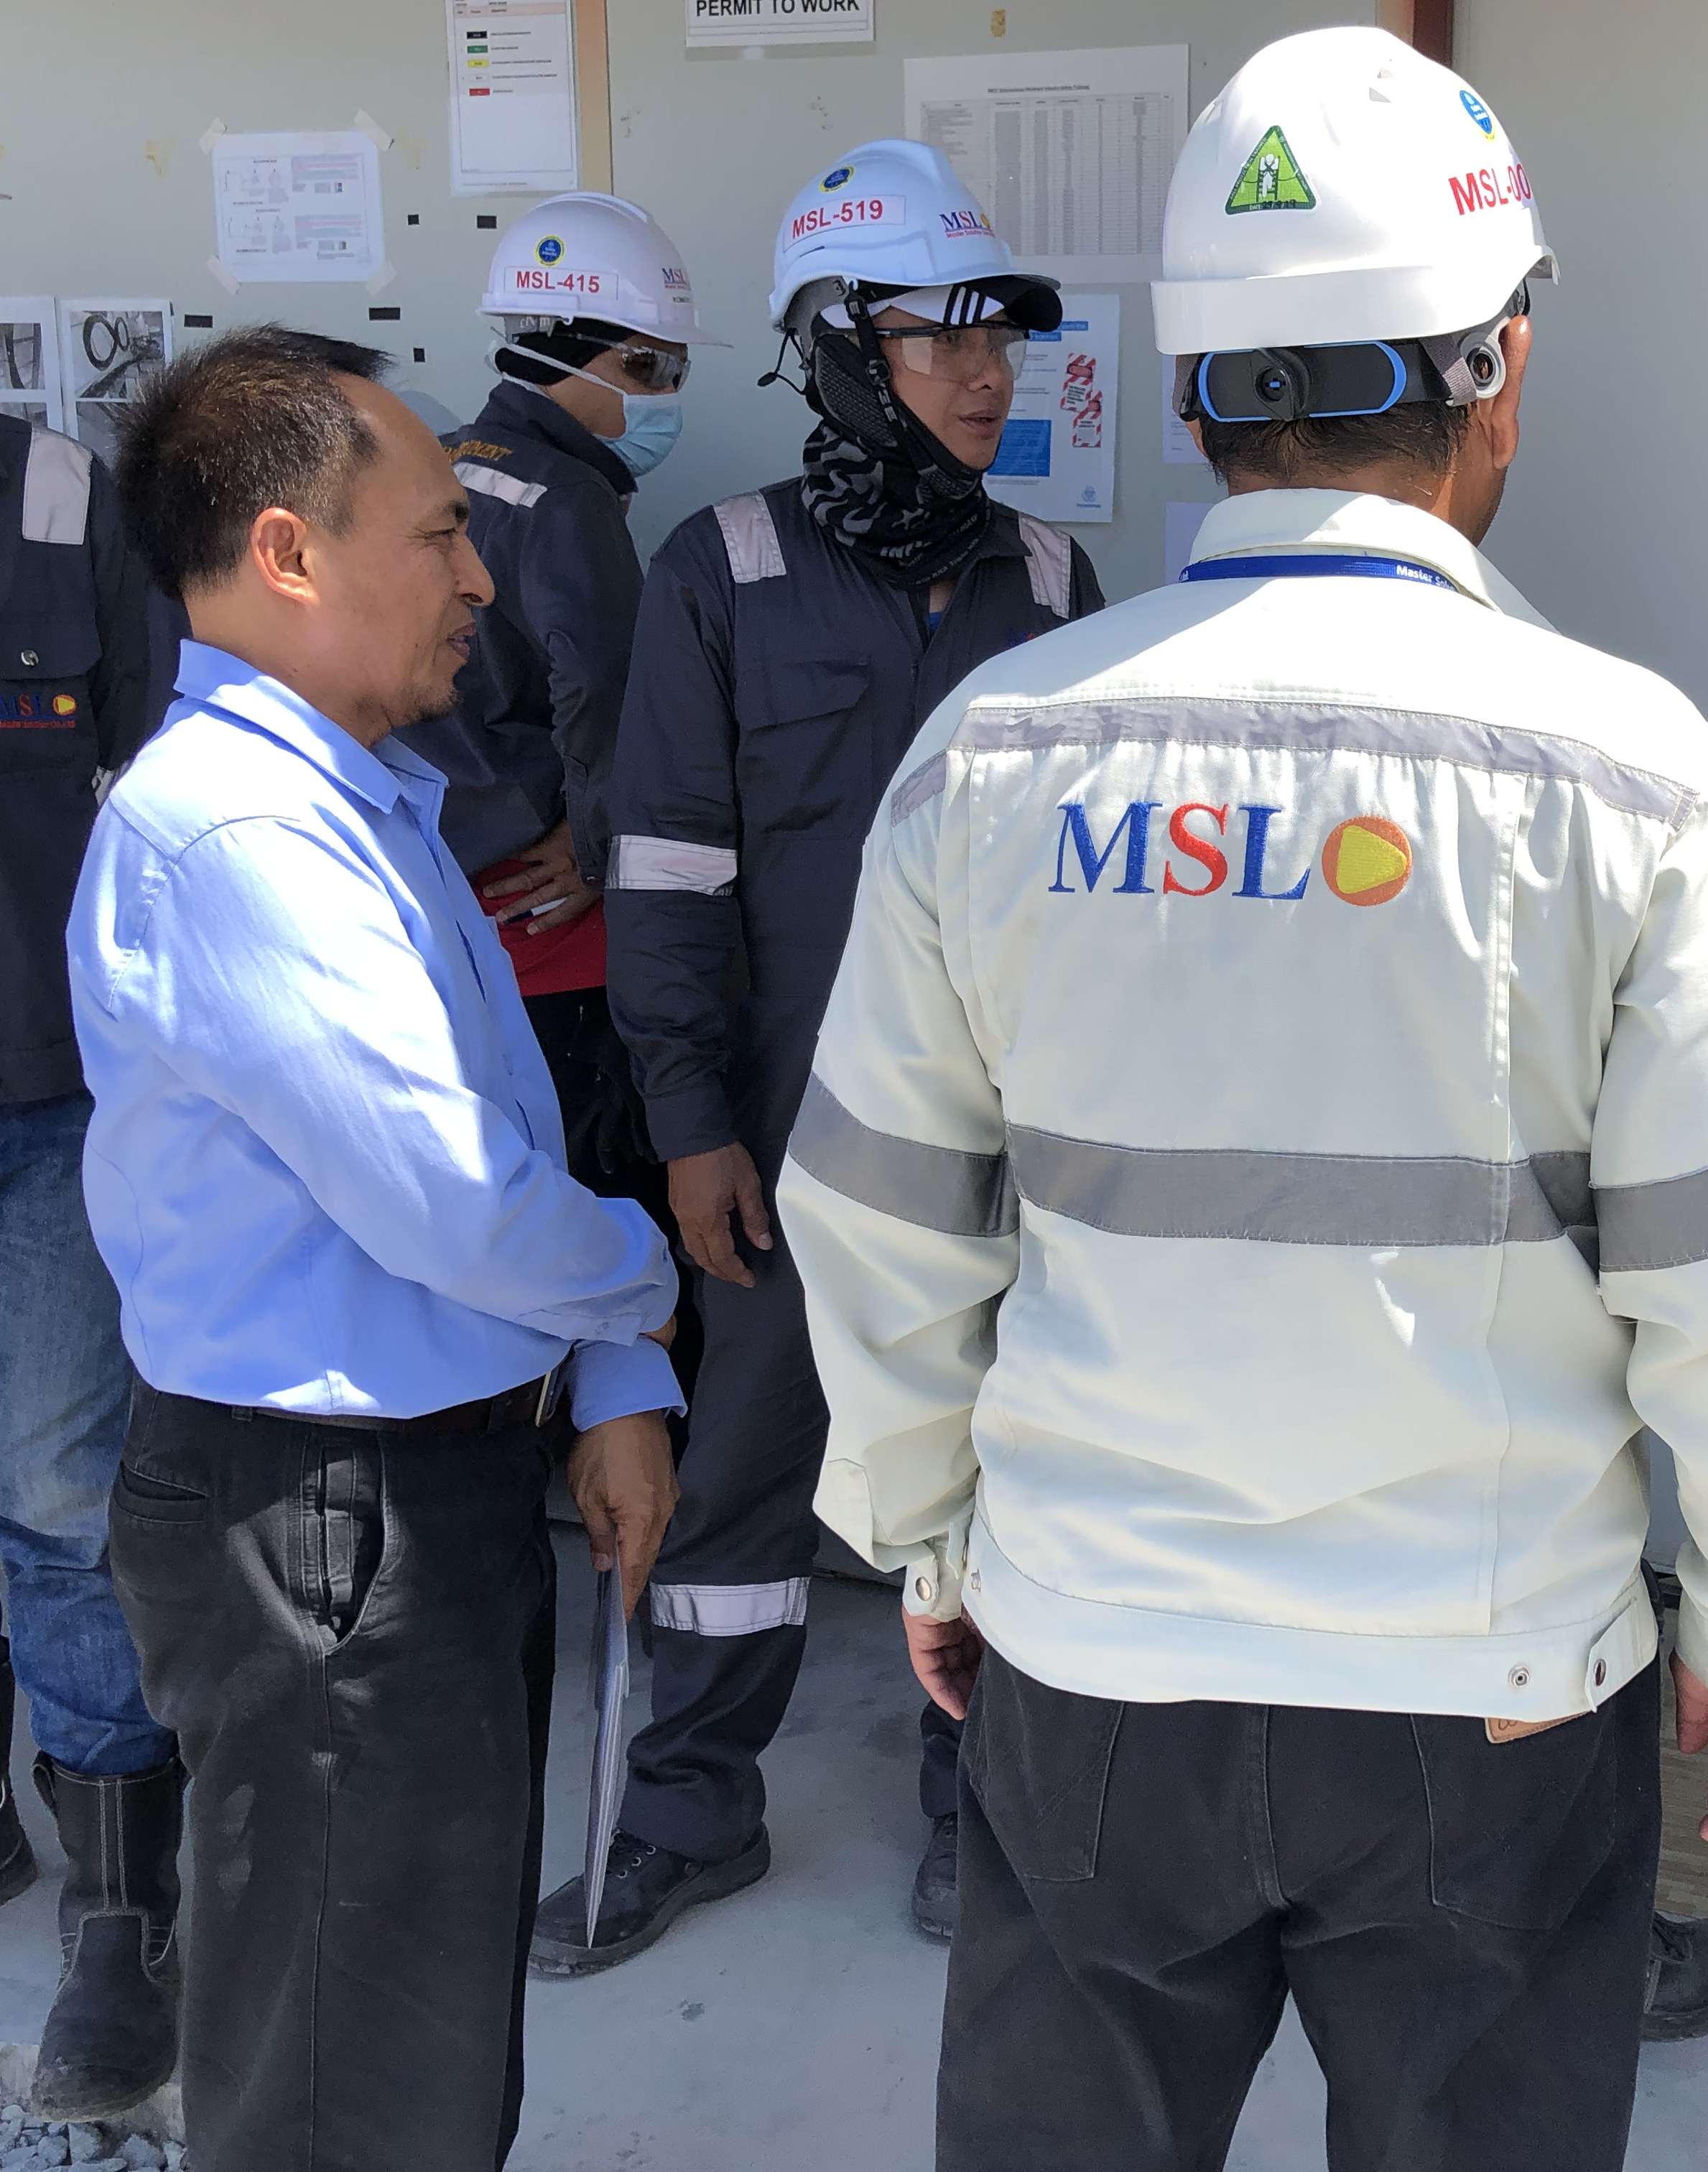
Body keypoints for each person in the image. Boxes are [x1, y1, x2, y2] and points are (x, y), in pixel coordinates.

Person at [779, 28, 1708, 2170]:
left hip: (1093, 1660)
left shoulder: (996, 748)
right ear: (1503, 369)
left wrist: (926, 1543)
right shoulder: (1631, 770)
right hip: (1491, 1692)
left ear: (1196, 391)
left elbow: (883, 1218)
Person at [79, 327, 682, 2171]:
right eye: (438, 534)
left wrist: (608, 1370)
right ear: (288, 552)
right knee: (343, 2078)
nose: (479, 578)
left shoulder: (359, 799)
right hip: (324, 1521)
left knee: (409, 2032)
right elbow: (461, 1198)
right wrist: (644, 1289)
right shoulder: (241, 838)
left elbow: (501, 1131)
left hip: (401, 1498)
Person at [546, 140, 1104, 1972]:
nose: (986, 375)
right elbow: (666, 874)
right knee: (744, 1477)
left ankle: (977, 1807)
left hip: (1011, 1142)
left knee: (1004, 1466)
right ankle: (692, 1810)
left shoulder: (1051, 580)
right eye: (940, 338)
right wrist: (688, 1125)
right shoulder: (723, 572)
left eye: (999, 338)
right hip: (788, 1141)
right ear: (844, 351)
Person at [396, 192, 720, 1257]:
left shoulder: (438, 461)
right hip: (551, 921)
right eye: (653, 369)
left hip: (444, 892)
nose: (669, 396)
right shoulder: (569, 499)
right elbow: (607, 698)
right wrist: (595, 850)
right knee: (595, 1199)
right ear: (572, 355)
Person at [0, 407, 184, 2121]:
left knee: (61, 1494)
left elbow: (169, 780)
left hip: (43, 1093)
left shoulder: (63, 499)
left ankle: (121, 1907)